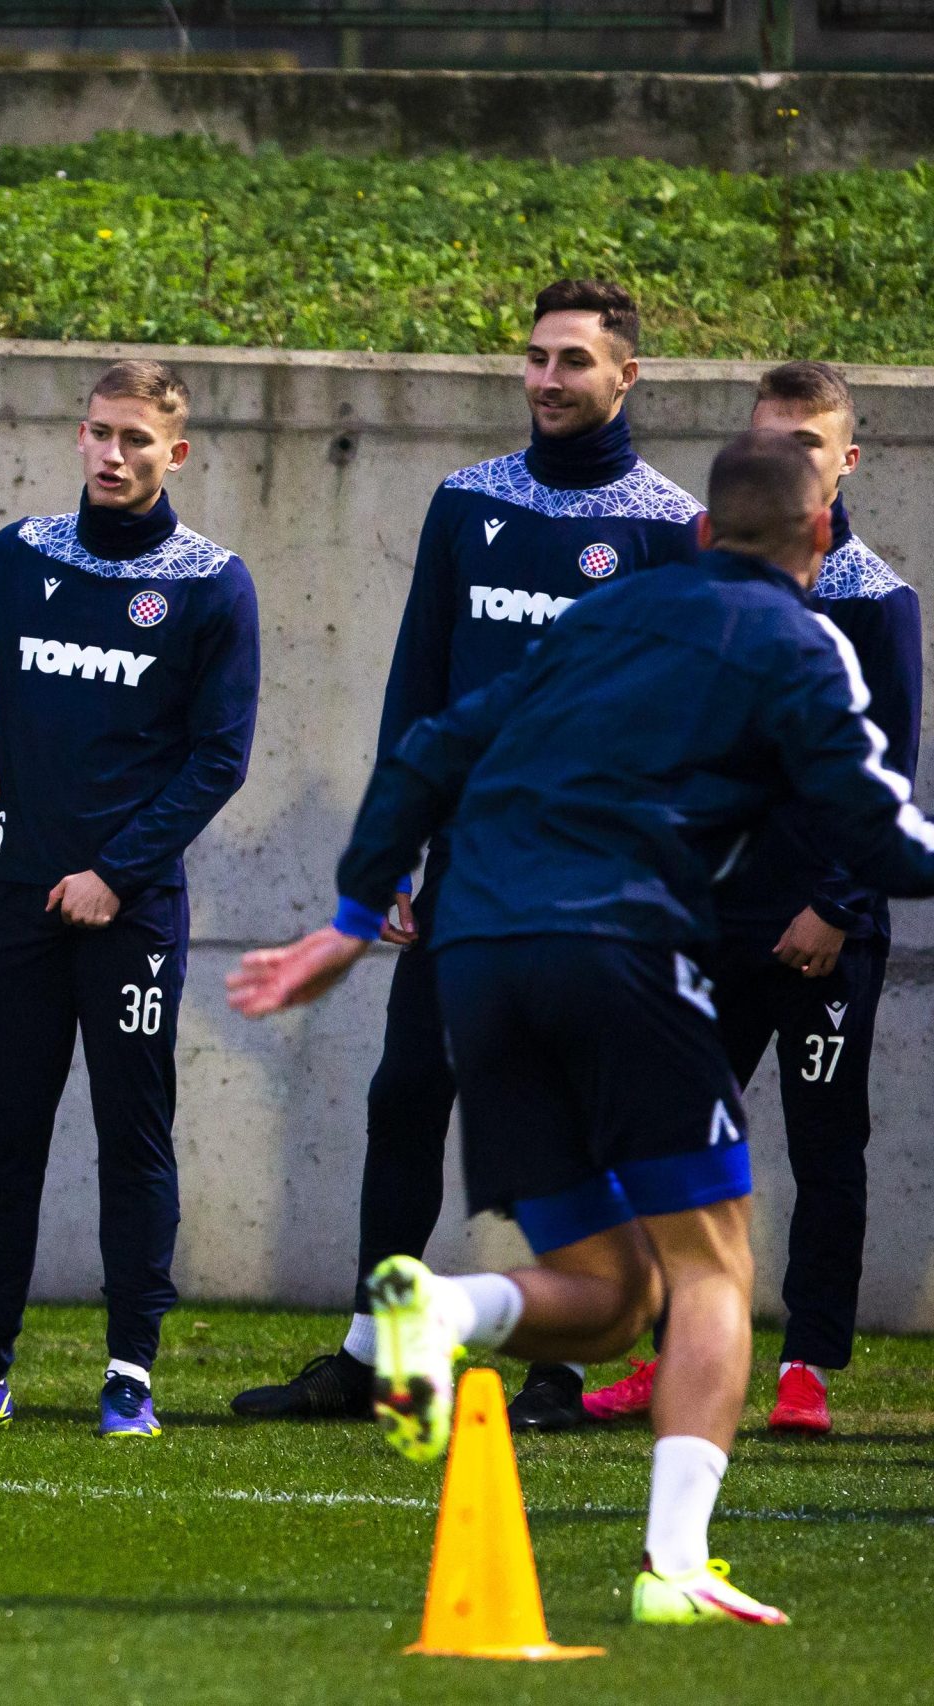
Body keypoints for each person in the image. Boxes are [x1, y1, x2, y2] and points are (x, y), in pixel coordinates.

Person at [227, 430, 934, 1626]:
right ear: (822, 535)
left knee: (608, 1295)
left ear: (701, 532)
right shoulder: (800, 639)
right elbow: (877, 832)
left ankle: (440, 1308)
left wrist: (352, 918)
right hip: (616, 948)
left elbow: (434, 745)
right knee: (713, 1265)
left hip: (479, 956)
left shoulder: (606, 615)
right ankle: (675, 1566)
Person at [230, 278, 703, 1432]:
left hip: (591, 880)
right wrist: (391, 852)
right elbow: (417, 687)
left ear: (625, 376)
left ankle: (561, 1367)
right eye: (536, 359)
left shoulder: (663, 525)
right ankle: (375, 1352)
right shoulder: (464, 502)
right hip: (463, 870)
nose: (547, 379)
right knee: (407, 1092)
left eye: (573, 363)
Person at [0, 359, 259, 1438]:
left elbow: (217, 760)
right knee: (4, 1134)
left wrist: (114, 872)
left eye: (136, 440)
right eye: (97, 433)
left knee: (133, 1136)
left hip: (128, 910)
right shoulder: (21, 555)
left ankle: (129, 1372)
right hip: (8, 893)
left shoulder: (210, 582)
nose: (112, 454)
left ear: (172, 453)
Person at [584, 361, 919, 1437]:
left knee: (826, 1147)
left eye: (806, 445)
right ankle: (671, 1349)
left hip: (823, 930)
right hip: (710, 922)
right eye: (767, 440)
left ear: (844, 462)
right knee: (674, 1141)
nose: (784, 460)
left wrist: (834, 903)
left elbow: (891, 775)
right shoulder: (709, 583)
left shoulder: (877, 598)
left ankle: (807, 1364)